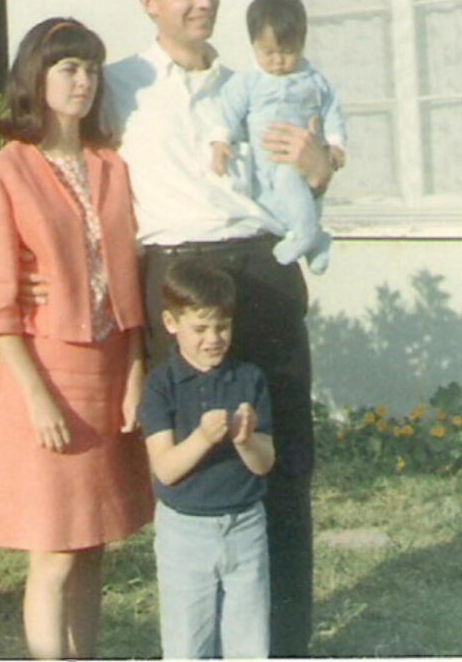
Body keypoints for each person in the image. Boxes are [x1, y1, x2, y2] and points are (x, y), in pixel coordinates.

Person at [102, 0, 333, 657]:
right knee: (199, 467)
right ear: (150, 3)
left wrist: (317, 160)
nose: (203, 3)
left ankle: (284, 646)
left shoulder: (258, 82)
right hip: (175, 273)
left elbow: (314, 177)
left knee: (281, 456)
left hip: (261, 269)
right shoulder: (117, 86)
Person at [0, 16, 154, 660]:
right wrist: (37, 398)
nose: (83, 82)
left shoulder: (111, 165)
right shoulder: (4, 174)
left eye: (92, 69)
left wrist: (135, 369)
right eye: (68, 69)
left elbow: (128, 277)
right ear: (36, 78)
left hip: (108, 373)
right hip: (44, 376)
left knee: (94, 544)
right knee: (53, 554)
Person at [140, 257, 276, 659]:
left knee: (249, 642)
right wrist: (201, 438)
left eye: (222, 326)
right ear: (170, 323)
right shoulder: (160, 386)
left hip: (245, 526)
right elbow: (165, 469)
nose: (213, 338)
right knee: (187, 644)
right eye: (199, 328)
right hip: (186, 533)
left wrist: (245, 439)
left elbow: (264, 462)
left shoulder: (249, 378)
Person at [209, 0, 347, 275]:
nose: (278, 61)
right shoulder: (248, 82)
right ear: (254, 46)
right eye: (268, 53)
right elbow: (229, 109)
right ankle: (315, 238)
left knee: (294, 186)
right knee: (274, 206)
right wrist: (221, 140)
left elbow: (332, 110)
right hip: (262, 166)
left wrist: (335, 143)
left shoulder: (313, 81)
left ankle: (306, 236)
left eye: (287, 52)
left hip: (296, 161)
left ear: (302, 44)